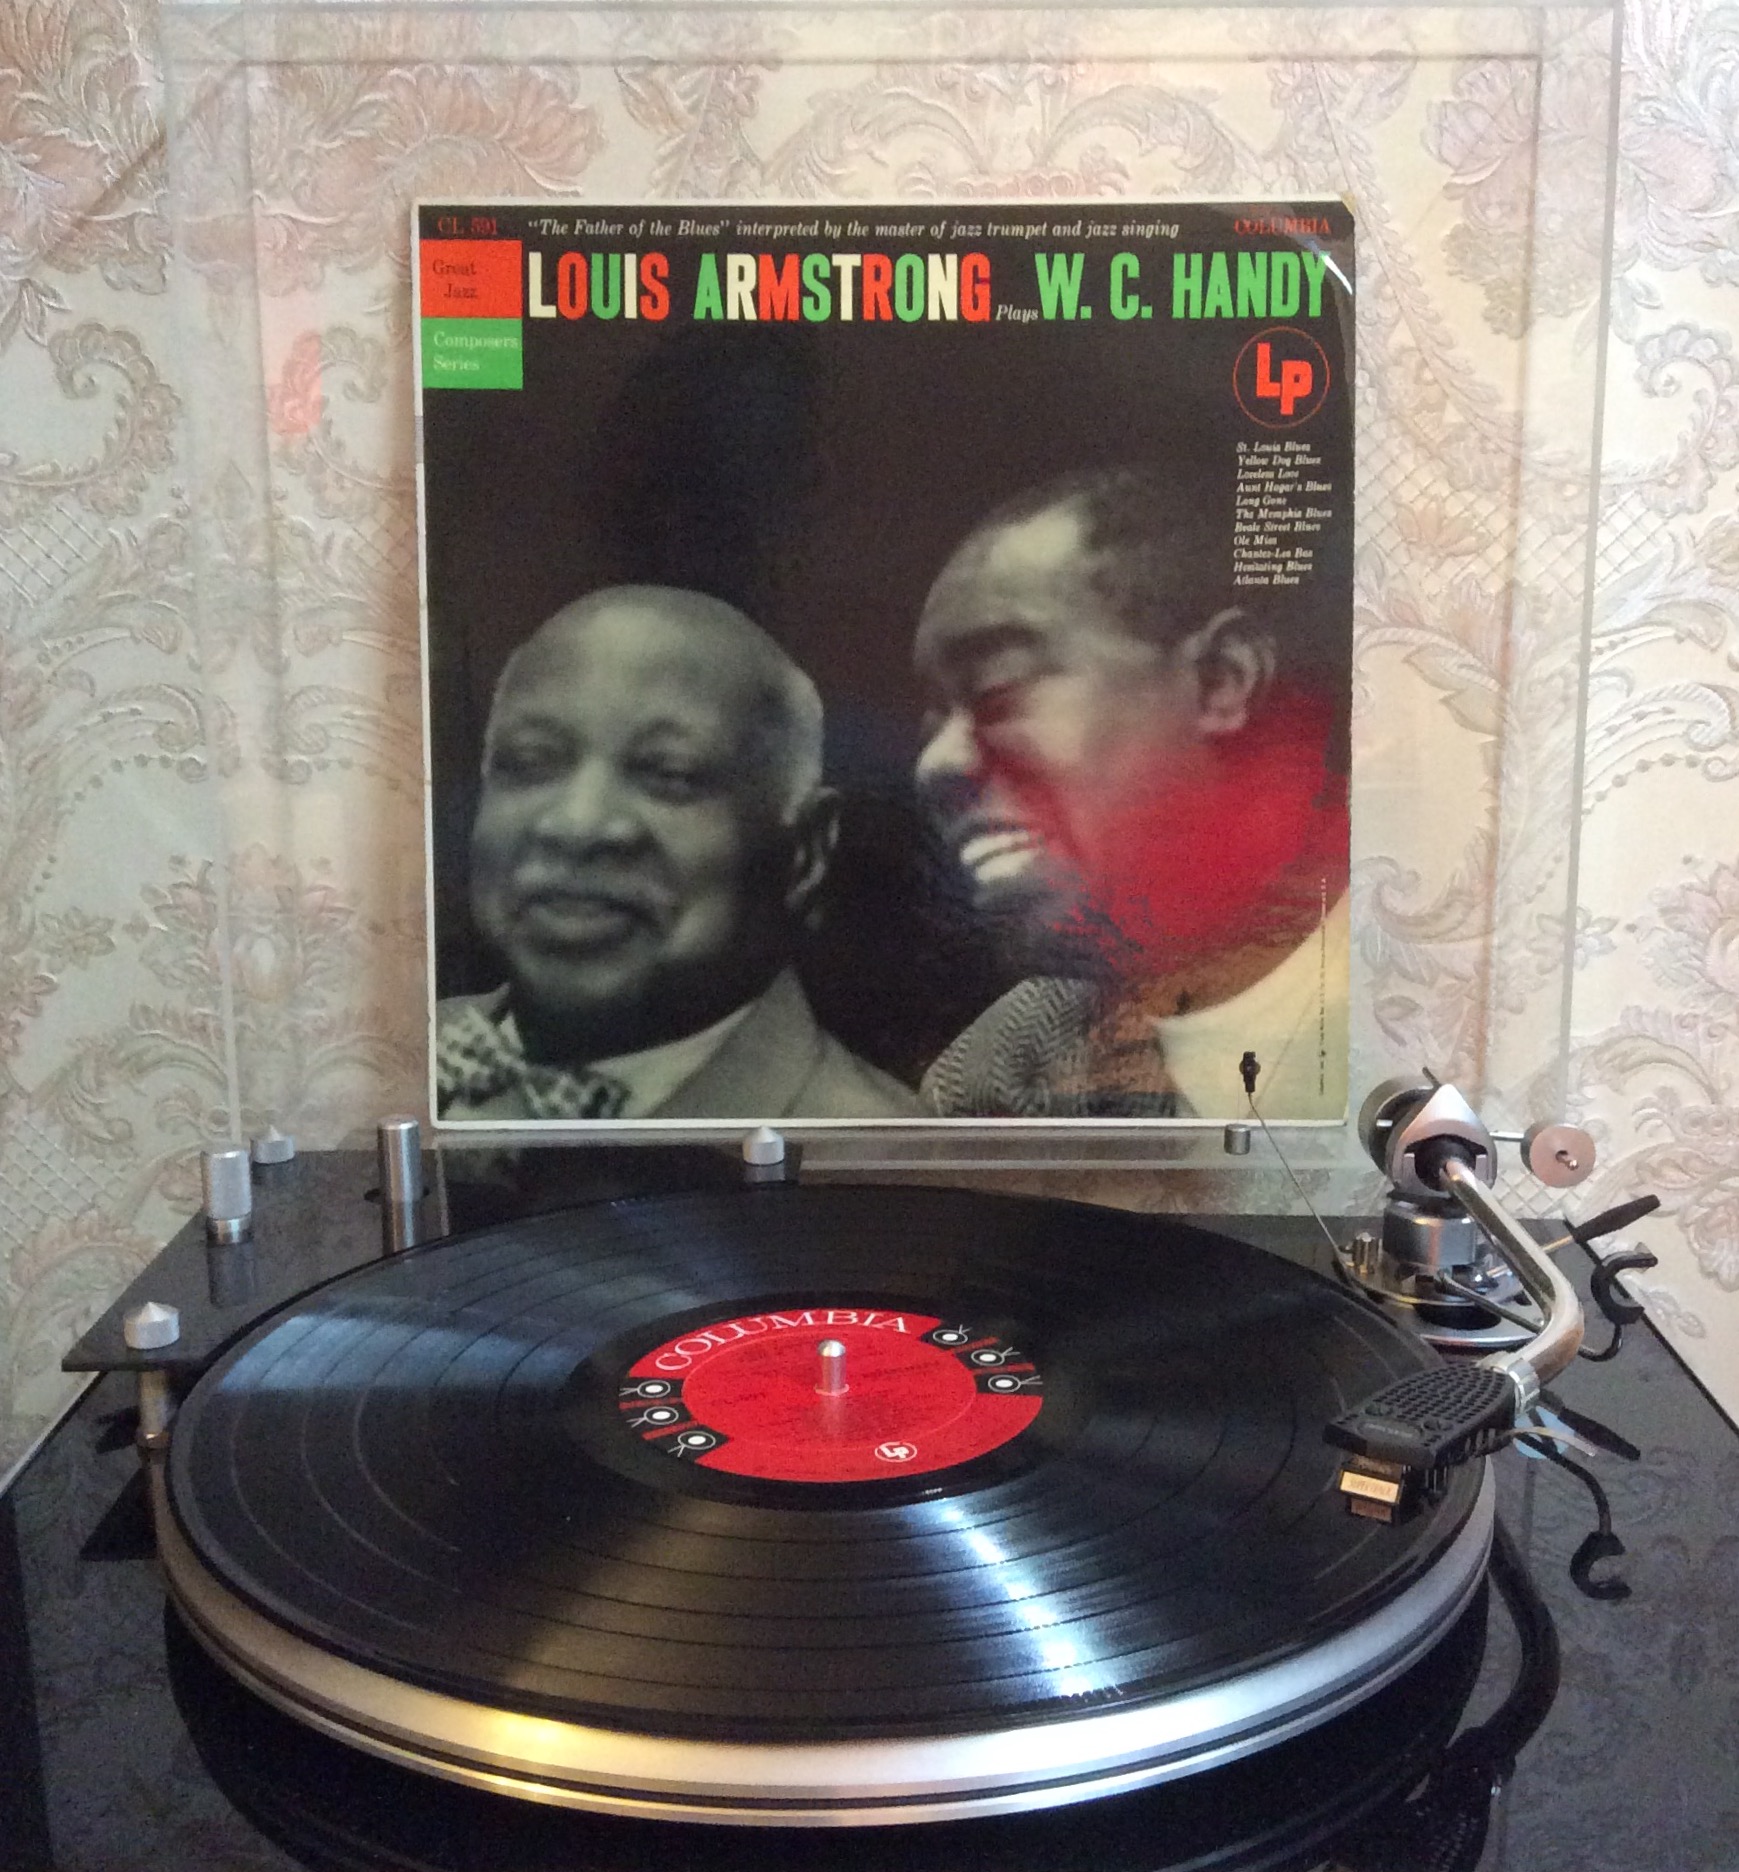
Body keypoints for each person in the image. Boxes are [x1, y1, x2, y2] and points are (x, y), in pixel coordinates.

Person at [912, 467, 1349, 1120]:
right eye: (931, 721)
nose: (935, 764)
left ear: (1220, 680)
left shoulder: (1436, 982)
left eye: (999, 688)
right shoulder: (996, 1077)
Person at [436, 586, 918, 1121]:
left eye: (671, 774)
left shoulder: (877, 1151)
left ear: (805, 853)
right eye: (530, 761)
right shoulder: (397, 1061)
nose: (577, 824)